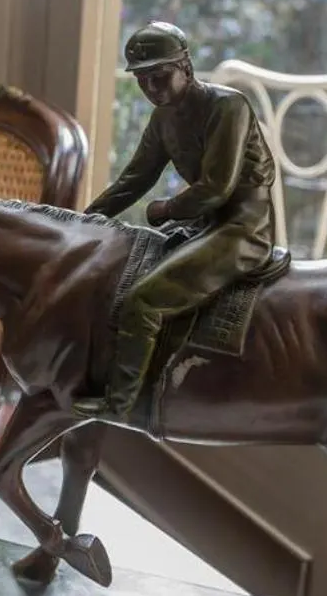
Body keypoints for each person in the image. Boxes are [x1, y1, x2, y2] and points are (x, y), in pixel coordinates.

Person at [74, 22, 279, 423]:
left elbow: (216, 188)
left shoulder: (228, 107)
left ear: (186, 66)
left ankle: (121, 403)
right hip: (204, 225)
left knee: (144, 302)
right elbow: (134, 180)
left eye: (160, 75)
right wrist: (84, 221)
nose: (151, 88)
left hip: (242, 228)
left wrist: (166, 209)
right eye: (142, 79)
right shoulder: (163, 119)